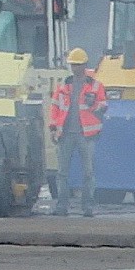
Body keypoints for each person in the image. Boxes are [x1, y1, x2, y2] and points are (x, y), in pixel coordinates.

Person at [48, 47, 109, 216]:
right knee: (62, 173)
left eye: (77, 64)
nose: (74, 68)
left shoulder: (96, 86)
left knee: (88, 172)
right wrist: (53, 128)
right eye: (72, 65)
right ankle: (62, 206)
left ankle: (88, 206)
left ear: (84, 65)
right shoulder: (63, 87)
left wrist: (93, 104)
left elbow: (104, 108)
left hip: (86, 135)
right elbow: (54, 109)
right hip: (65, 134)